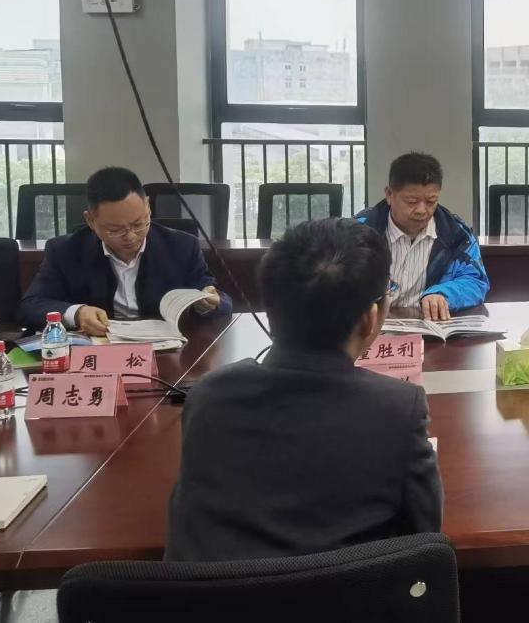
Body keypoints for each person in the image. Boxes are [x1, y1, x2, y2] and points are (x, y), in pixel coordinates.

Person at [166, 219, 442, 561]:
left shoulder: (207, 397)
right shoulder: (398, 409)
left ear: (271, 309)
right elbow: (424, 536)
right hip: (354, 590)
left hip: (221, 592)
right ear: (370, 318)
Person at [17, 166, 230, 333]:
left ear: (148, 206)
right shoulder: (65, 251)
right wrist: (77, 313)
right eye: (115, 230)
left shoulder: (181, 246)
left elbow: (219, 299)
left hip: (167, 353)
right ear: (90, 221)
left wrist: (210, 303)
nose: (130, 236)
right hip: (101, 353)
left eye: (139, 224)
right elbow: (30, 306)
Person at [354, 152, 488, 321]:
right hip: (370, 327)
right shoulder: (359, 231)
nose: (422, 210)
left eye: (431, 201)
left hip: (429, 327)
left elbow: (476, 281)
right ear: (389, 195)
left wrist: (444, 294)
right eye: (411, 202)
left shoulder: (457, 235)